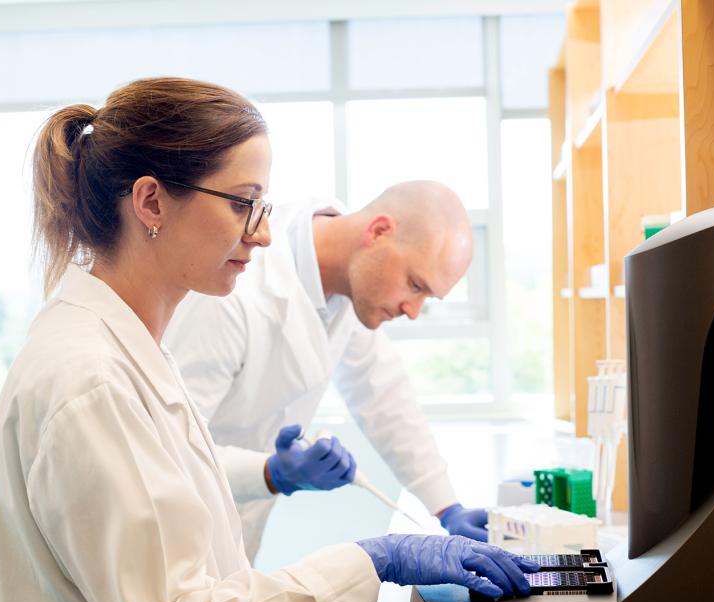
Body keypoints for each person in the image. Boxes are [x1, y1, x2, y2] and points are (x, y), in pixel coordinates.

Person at [0, 77, 538, 602]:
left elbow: (190, 588)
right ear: (151, 201)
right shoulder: (91, 382)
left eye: (264, 205)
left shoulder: (132, 355)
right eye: (244, 204)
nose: (265, 232)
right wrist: (370, 563)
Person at [165, 179, 491, 563]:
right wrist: (271, 473)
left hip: (233, 529)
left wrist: (447, 507)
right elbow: (166, 449)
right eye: (415, 285)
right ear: (379, 232)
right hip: (172, 530)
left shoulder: (349, 288)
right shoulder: (232, 290)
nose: (413, 310)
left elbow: (385, 397)